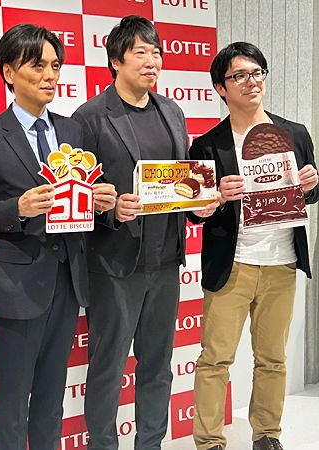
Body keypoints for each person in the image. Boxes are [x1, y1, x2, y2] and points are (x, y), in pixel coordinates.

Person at [0, 23, 117, 450]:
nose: (50, 75)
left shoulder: (73, 131)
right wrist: (18, 207)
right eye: (37, 66)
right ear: (9, 72)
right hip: (18, 285)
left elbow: (82, 197)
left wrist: (99, 201)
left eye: (55, 66)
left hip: (67, 279)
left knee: (52, 398)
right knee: (14, 401)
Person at [71, 16, 218, 450]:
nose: (152, 61)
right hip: (114, 264)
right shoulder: (90, 117)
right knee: (108, 368)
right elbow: (76, 198)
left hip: (166, 261)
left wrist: (198, 206)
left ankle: (150, 444)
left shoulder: (171, 110)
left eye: (156, 52)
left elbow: (180, 182)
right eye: (141, 52)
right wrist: (111, 210)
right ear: (116, 60)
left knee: (158, 366)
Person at [190, 42, 319, 450]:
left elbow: (310, 192)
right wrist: (216, 197)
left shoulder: (294, 133)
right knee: (215, 359)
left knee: (272, 359)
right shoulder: (207, 145)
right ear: (221, 88)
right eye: (240, 75)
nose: (252, 82)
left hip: (282, 262)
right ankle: (209, 441)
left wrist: (311, 184)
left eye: (257, 72)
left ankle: (266, 435)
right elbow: (195, 212)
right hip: (233, 264)